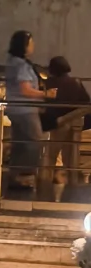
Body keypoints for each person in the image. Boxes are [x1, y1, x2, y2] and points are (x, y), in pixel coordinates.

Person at [5, 31, 54, 191]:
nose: (33, 46)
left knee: (19, 143)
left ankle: (15, 176)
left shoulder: (13, 62)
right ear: (24, 46)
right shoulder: (21, 65)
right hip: (25, 110)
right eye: (30, 43)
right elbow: (25, 89)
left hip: (15, 109)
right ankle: (26, 176)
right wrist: (46, 94)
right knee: (34, 142)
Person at [42, 55, 90, 187]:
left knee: (51, 155)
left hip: (57, 123)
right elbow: (86, 102)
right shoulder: (76, 82)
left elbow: (45, 104)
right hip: (75, 122)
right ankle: (72, 185)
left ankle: (45, 183)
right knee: (71, 157)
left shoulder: (49, 83)